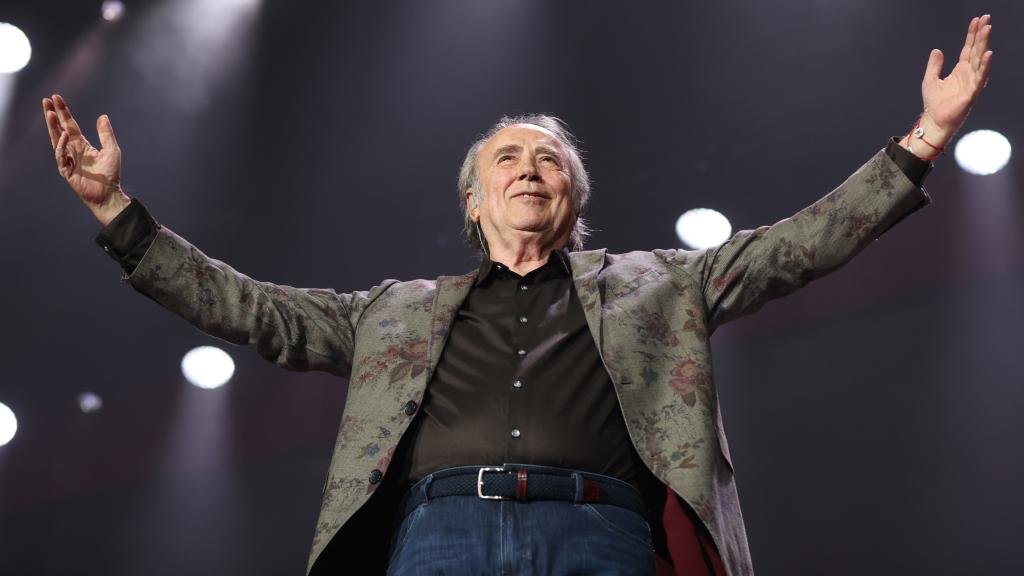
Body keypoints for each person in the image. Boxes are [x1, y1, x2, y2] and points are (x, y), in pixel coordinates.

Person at [42, 15, 993, 576]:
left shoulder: (661, 283)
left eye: (549, 159)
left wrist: (923, 138)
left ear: (573, 196)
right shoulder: (395, 311)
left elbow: (798, 247)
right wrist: (118, 212)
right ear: (474, 198)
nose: (530, 168)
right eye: (508, 158)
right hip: (439, 535)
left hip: (599, 532)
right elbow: (250, 309)